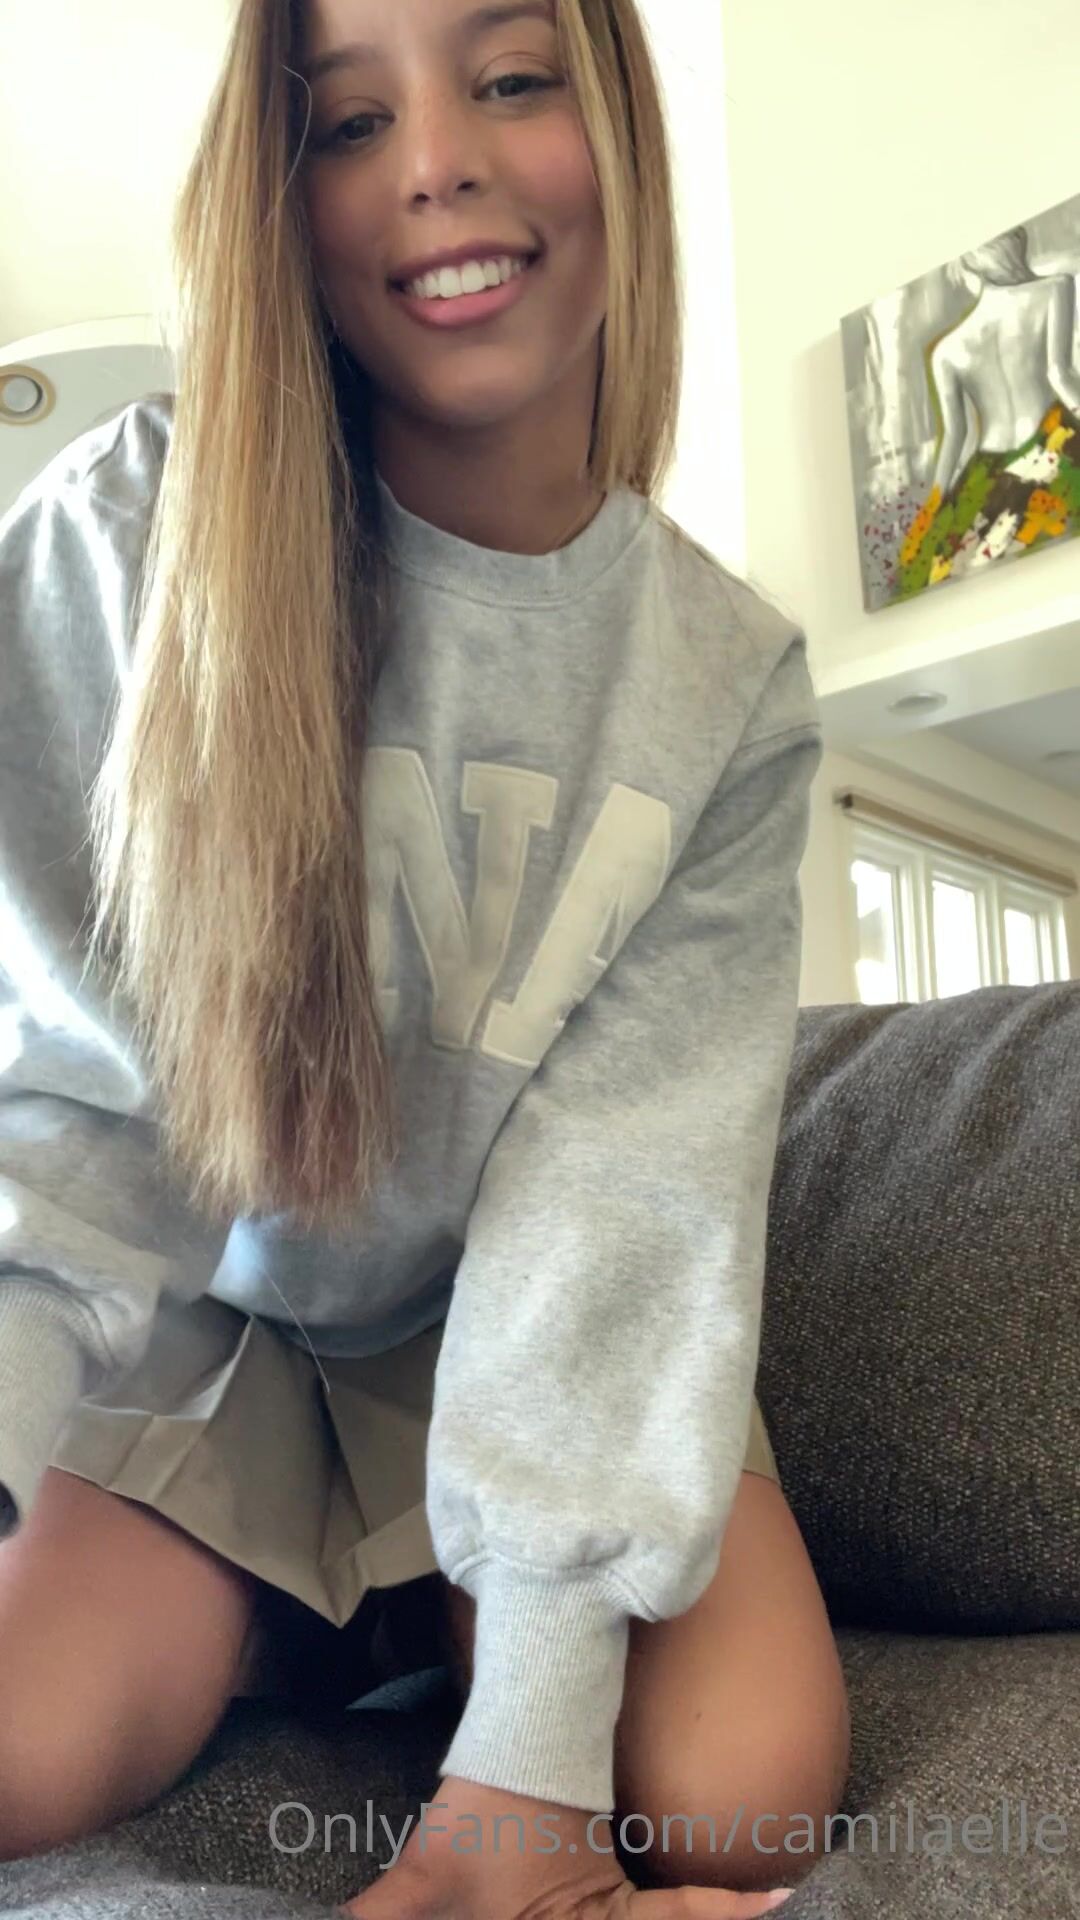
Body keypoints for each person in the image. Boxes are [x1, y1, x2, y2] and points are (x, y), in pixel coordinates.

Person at [0, 0, 850, 1913]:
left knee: (745, 1797)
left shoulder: (728, 685)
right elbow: (53, 1100)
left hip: (514, 1330)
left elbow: (628, 1194)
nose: (438, 162)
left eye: (511, 79)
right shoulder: (120, 537)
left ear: (614, 123)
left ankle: (406, 1610)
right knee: (20, 1748)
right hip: (201, 1327)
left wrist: (529, 1764)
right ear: (279, 196)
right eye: (347, 119)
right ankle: (288, 1602)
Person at [900, 226, 1080, 596]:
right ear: (1016, 244)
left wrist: (935, 508)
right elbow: (1059, 375)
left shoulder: (947, 349)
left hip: (987, 476)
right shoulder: (1055, 289)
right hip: (1053, 446)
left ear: (968, 264)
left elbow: (955, 437)